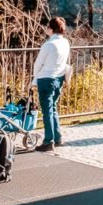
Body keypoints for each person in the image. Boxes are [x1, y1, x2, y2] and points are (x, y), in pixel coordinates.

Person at [32, 16, 71, 152]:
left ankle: (48, 140)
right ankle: (57, 137)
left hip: (46, 78)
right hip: (58, 78)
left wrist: (34, 79)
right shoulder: (65, 43)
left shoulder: (48, 44)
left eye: (47, 27)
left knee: (47, 111)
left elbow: (38, 64)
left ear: (51, 28)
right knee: (53, 108)